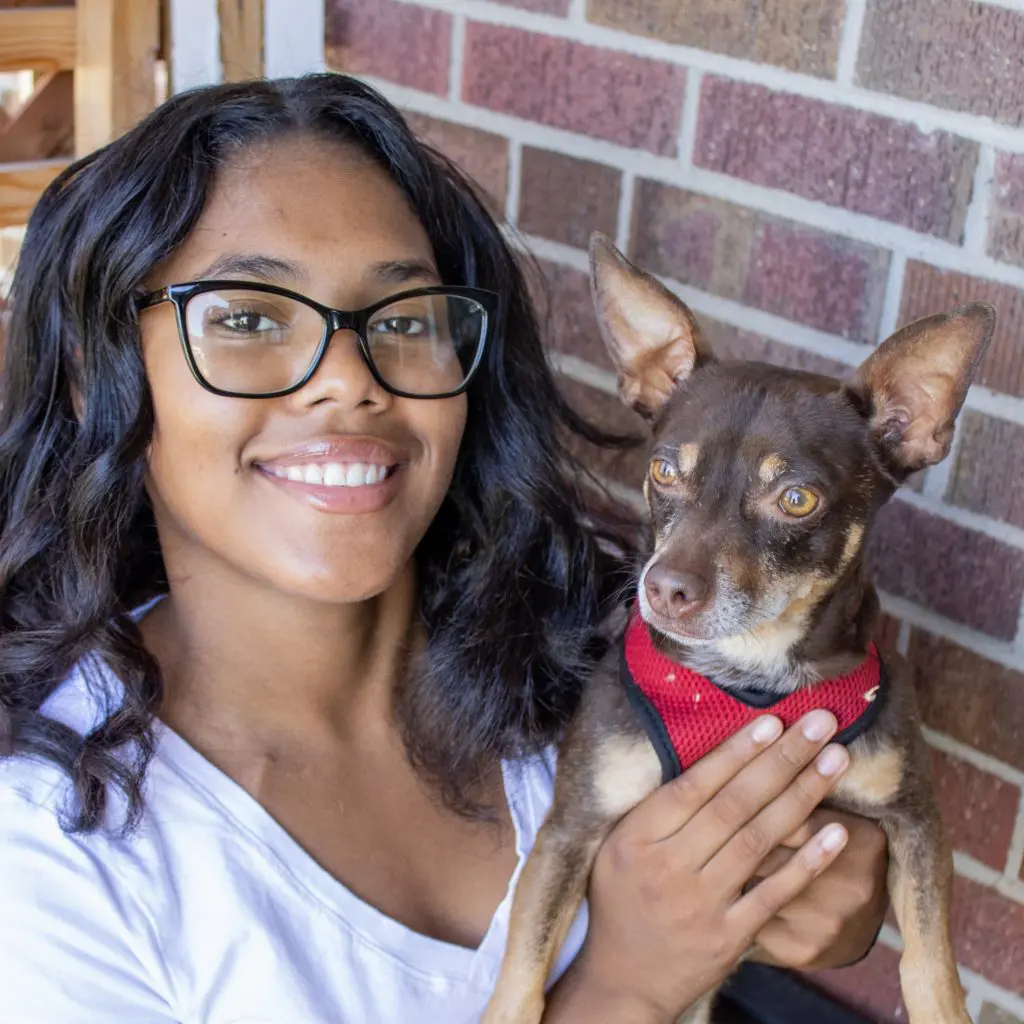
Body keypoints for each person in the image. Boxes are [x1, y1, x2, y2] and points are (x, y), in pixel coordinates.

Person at [0, 74, 887, 1023]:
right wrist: (627, 985)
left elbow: (800, 861)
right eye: (249, 317)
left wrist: (822, 894)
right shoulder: (52, 851)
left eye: (405, 320)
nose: (349, 381)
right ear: (101, 372)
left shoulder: (585, 652)